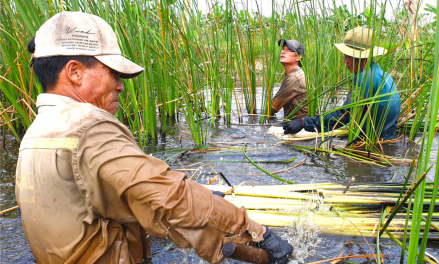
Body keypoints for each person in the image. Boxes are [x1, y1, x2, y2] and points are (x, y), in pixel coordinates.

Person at [15, 11, 292, 264]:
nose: (121, 86)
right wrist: (255, 231)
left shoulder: (36, 133)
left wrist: (203, 195)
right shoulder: (88, 126)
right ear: (74, 72)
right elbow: (170, 199)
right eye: (113, 73)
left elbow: (110, 197)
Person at [283, 27, 400, 140]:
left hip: (373, 142)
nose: (345, 61)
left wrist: (304, 122)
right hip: (386, 137)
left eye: (349, 56)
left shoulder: (363, 79)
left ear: (362, 57)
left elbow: (344, 115)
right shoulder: (380, 73)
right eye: (345, 55)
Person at [271, 39, 309, 119]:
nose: (283, 52)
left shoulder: (295, 77)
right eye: (283, 49)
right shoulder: (294, 74)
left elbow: (272, 108)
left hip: (302, 127)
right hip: (297, 124)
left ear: (299, 57)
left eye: (288, 50)